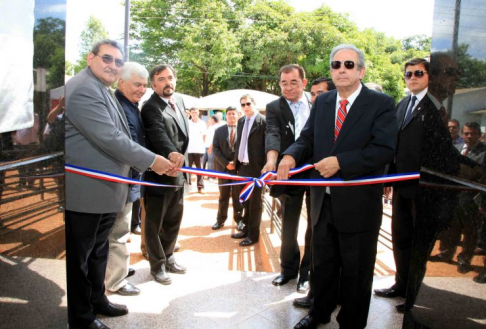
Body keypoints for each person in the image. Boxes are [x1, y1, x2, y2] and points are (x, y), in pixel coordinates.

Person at [278, 44, 397, 329]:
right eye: (336, 65)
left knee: (356, 271)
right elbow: (307, 138)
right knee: (323, 265)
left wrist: (341, 162)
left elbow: (384, 150)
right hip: (322, 201)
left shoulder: (381, 103)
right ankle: (319, 314)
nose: (341, 69)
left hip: (358, 203)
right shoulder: (323, 102)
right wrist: (290, 155)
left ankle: (352, 323)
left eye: (348, 65)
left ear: (361, 71)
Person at [65, 39, 174, 329]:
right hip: (88, 191)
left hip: (106, 191)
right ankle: (81, 316)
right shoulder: (83, 88)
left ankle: (98, 299)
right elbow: (110, 138)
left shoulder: (100, 88)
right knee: (81, 259)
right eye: (107, 59)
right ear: (90, 58)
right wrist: (153, 160)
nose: (112, 65)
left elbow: (119, 134)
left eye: (117, 61)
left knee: (99, 250)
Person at [373, 58, 462, 314]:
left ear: (429, 76)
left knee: (419, 246)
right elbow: (395, 145)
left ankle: (413, 295)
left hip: (426, 190)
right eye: (408, 73)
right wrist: (388, 178)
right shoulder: (402, 105)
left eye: (418, 73)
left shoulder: (435, 108)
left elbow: (445, 153)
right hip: (401, 186)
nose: (412, 77)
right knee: (401, 239)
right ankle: (400, 285)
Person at [264, 64, 313, 293]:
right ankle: (288, 269)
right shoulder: (274, 107)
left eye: (294, 82)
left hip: (317, 172)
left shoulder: (319, 103)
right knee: (289, 224)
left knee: (315, 224)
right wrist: (272, 160)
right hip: (287, 172)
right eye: (284, 83)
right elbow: (273, 132)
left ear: (304, 82)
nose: (289, 87)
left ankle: (308, 272)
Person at [103, 62, 150, 298]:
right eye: (137, 84)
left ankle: (117, 268)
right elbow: (127, 146)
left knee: (120, 231)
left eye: (144, 85)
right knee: (118, 233)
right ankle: (116, 281)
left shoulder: (130, 105)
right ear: (121, 82)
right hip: (121, 181)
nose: (142, 89)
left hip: (130, 180)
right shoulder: (118, 106)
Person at [141, 64, 189, 285]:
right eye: (161, 79)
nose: (167, 82)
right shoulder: (150, 107)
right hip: (159, 174)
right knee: (154, 223)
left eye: (170, 77)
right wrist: (170, 152)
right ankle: (157, 265)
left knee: (173, 220)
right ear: (153, 84)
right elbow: (157, 134)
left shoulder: (178, 101)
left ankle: (169, 256)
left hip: (179, 174)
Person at [292, 75, 336, 309]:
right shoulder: (316, 116)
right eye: (313, 94)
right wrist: (288, 157)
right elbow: (305, 141)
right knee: (315, 236)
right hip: (315, 187)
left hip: (344, 193)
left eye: (321, 93)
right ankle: (312, 287)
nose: (316, 98)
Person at [429, 122, 486, 273]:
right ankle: (445, 253)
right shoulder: (458, 149)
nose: (469, 136)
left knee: (469, 231)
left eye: (472, 133)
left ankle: (464, 259)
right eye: (466, 133)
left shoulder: (484, 152)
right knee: (450, 227)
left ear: (479, 134)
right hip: (453, 196)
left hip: (472, 199)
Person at [231, 94, 266, 247]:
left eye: (248, 104)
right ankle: (245, 230)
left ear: (254, 104)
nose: (245, 107)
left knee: (255, 204)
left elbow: (267, 146)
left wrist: (265, 169)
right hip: (242, 168)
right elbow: (240, 143)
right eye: (243, 104)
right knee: (244, 201)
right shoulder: (241, 121)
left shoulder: (263, 121)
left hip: (256, 169)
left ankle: (253, 235)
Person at [212, 106, 244, 230]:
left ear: (237, 115)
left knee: (237, 196)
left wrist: (234, 163)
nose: (231, 116)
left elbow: (243, 149)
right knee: (223, 196)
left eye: (233, 114)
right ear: (226, 116)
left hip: (238, 169)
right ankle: (220, 220)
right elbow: (215, 149)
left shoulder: (242, 130)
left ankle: (239, 220)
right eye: (229, 114)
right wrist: (226, 163)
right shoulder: (218, 131)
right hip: (223, 169)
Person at [187, 107, 207, 193]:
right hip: (188, 149)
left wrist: (202, 144)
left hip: (199, 149)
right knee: (188, 169)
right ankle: (187, 186)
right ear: (190, 113)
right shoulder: (187, 123)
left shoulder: (202, 123)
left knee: (200, 169)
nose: (194, 114)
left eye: (195, 112)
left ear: (198, 113)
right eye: (192, 112)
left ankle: (200, 187)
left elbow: (204, 136)